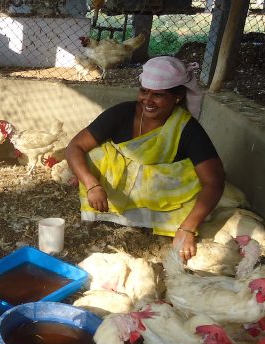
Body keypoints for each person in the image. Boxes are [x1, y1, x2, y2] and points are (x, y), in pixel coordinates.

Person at [65, 56, 224, 261]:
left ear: (177, 97)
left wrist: (188, 228)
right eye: (144, 91)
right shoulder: (122, 113)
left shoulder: (187, 128)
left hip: (162, 192)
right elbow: (74, 146)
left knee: (196, 179)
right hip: (118, 189)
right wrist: (91, 184)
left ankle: (163, 223)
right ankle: (105, 215)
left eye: (158, 95)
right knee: (93, 155)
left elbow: (215, 181)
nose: (147, 101)